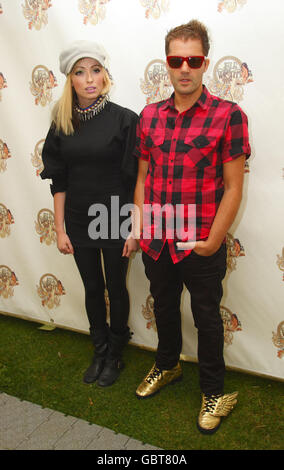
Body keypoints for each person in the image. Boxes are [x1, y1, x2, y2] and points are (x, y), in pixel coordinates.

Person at [133, 20, 251, 434]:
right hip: (157, 241)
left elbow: (234, 186)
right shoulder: (149, 116)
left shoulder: (229, 116)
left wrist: (212, 240)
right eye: (176, 59)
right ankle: (167, 366)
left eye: (193, 59)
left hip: (201, 240)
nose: (184, 67)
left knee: (206, 318)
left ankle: (214, 392)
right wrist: (138, 227)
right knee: (163, 307)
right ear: (167, 63)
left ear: (205, 63)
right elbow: (144, 178)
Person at [41, 40, 138, 387]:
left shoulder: (125, 120)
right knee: (92, 286)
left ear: (105, 75)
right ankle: (99, 349)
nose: (89, 79)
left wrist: (133, 227)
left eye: (95, 70)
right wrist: (60, 228)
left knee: (116, 285)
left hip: (114, 216)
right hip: (79, 220)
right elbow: (59, 179)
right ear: (70, 79)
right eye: (80, 72)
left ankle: (115, 353)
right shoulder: (61, 122)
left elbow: (136, 178)